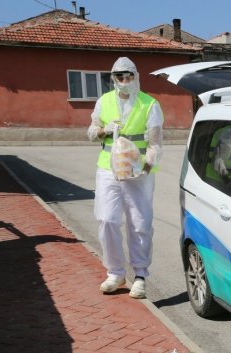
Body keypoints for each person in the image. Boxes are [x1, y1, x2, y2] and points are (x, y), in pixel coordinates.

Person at [87, 57, 163, 299]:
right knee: (107, 220)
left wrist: (147, 167)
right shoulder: (103, 102)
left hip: (138, 172)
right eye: (119, 76)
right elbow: (90, 132)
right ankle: (116, 273)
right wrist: (102, 130)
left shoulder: (150, 104)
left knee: (139, 223)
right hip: (108, 169)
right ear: (113, 78)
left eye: (128, 75)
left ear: (136, 76)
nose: (124, 80)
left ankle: (140, 275)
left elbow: (155, 143)